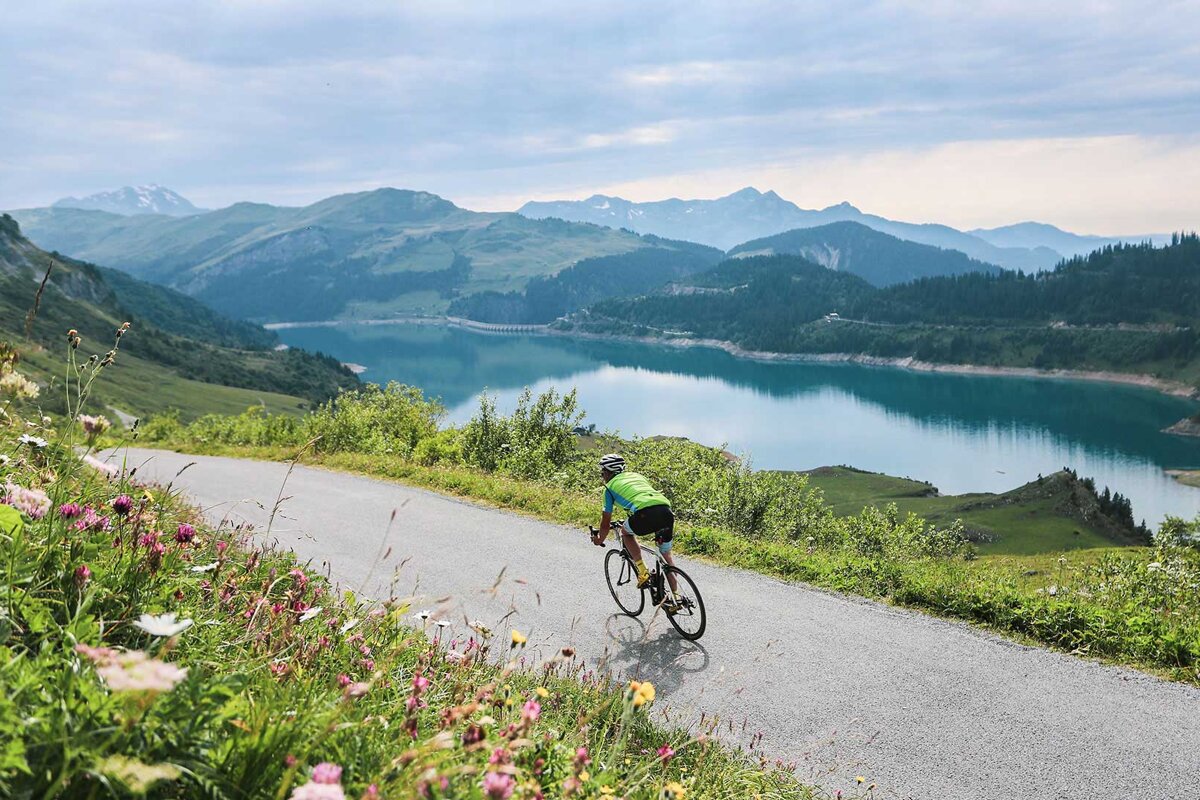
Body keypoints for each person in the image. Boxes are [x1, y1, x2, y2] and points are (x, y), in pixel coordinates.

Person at [590, 453, 680, 608]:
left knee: (626, 533)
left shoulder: (608, 489)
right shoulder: (637, 476)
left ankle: (643, 571)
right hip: (666, 511)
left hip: (645, 514)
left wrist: (599, 540)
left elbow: (605, 524)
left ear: (609, 472)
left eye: (603, 471)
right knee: (666, 557)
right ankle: (676, 599)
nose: (602, 475)